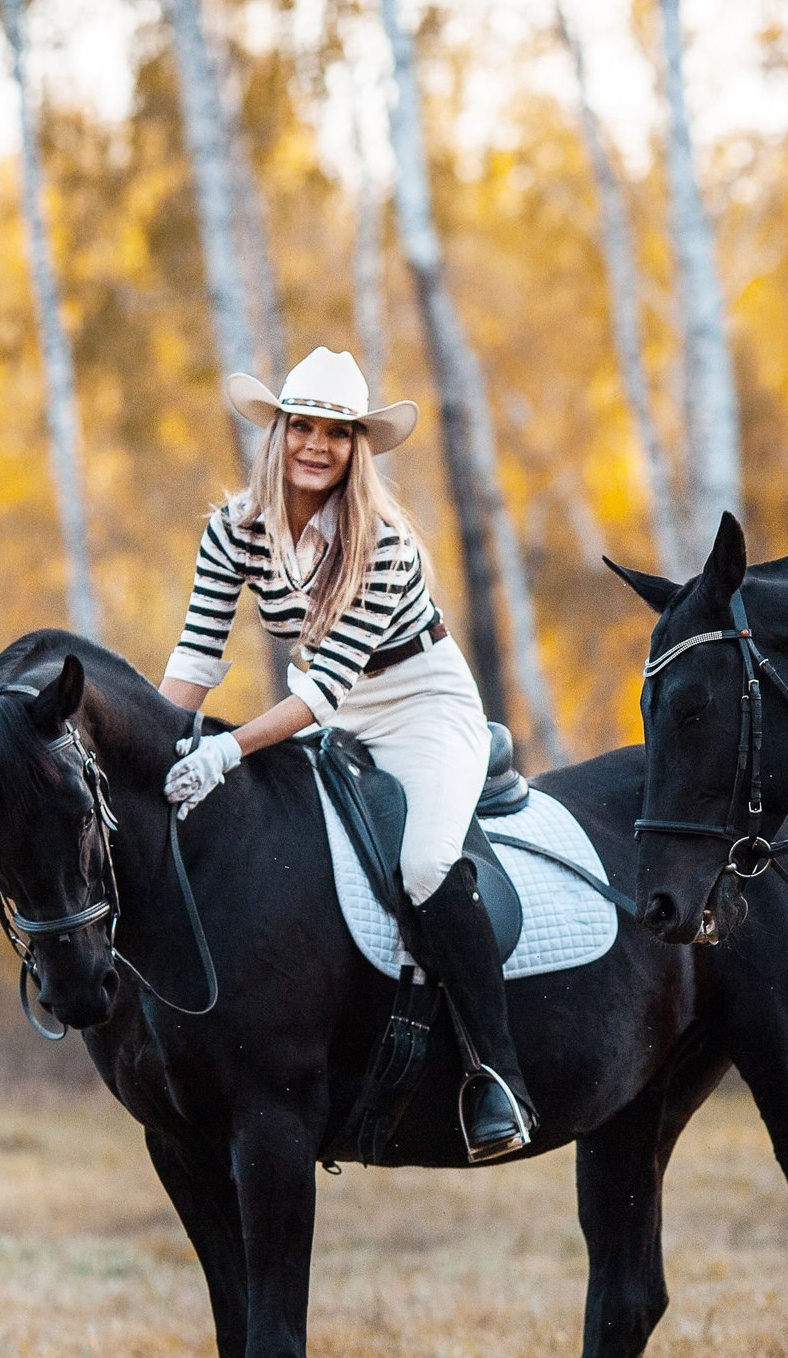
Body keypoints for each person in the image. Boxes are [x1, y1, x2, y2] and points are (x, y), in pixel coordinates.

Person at [158, 346, 534, 1157]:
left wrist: (225, 754)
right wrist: (152, 752)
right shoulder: (233, 531)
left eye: (335, 433)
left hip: (422, 708)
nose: (315, 446)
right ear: (279, 431)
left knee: (428, 865)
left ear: (355, 447)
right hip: (334, 715)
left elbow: (322, 687)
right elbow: (195, 657)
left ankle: (495, 1075)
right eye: (302, 427)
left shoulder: (382, 542)